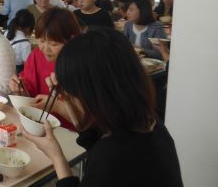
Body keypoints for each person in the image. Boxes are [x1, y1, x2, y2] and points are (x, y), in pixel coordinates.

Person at [23, 28, 183, 187]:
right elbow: (93, 135)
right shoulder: (151, 123)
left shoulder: (111, 157)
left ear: (93, 93)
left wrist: (56, 157)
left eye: (71, 93)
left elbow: (102, 157)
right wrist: (61, 105)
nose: (66, 97)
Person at [9, 8, 82, 129]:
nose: (46, 49)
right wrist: (19, 88)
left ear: (71, 39)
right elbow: (29, 95)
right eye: (41, 41)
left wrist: (56, 106)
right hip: (38, 126)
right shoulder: (37, 55)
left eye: (54, 44)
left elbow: (86, 120)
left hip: (70, 132)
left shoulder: (81, 65)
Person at [5, 8, 35, 74]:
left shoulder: (7, 32)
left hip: (4, 67)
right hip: (16, 72)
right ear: (28, 28)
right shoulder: (25, 43)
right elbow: (27, 66)